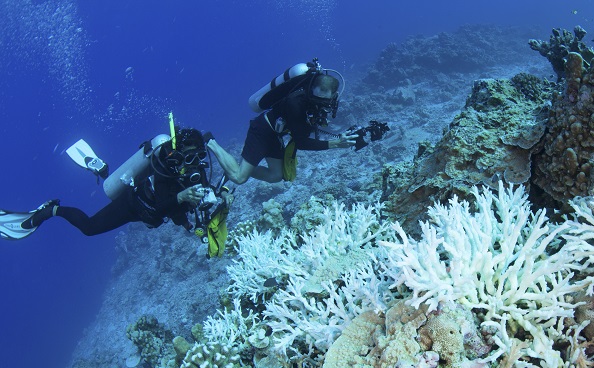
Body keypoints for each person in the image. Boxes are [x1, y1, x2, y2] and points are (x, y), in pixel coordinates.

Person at [0, 127, 231, 249]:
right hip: (132, 205)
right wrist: (181, 198)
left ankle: (103, 171)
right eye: (187, 159)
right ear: (178, 155)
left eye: (198, 157)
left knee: (123, 186)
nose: (193, 165)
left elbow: (196, 197)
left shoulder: (197, 169)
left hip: (149, 213)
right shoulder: (165, 167)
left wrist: (220, 192)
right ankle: (51, 210)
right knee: (89, 228)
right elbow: (163, 207)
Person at [206, 59, 359, 185]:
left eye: (324, 101)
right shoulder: (296, 103)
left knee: (275, 176)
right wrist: (336, 143)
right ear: (311, 89)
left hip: (276, 135)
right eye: (316, 99)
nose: (319, 103)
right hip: (262, 131)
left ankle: (235, 166)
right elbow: (301, 143)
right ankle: (211, 142)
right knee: (240, 178)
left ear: (334, 96)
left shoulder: (324, 103)